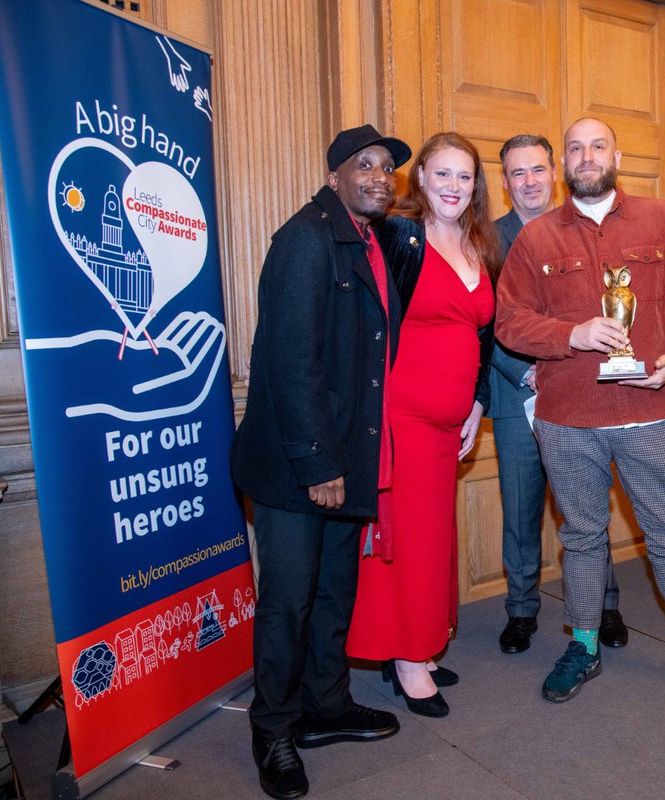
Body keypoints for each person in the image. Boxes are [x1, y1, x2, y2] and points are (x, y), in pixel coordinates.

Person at [496, 117, 665, 709]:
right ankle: (583, 642)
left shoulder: (661, 219)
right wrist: (573, 333)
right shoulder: (536, 240)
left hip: (651, 410)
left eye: (597, 145)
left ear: (617, 155)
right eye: (575, 148)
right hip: (567, 417)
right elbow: (508, 321)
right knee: (582, 536)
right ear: (564, 163)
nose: (587, 156)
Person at [231, 124, 413, 800]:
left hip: (345, 457)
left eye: (386, 168)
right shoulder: (304, 239)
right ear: (335, 173)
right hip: (295, 467)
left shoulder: (368, 241)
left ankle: (325, 704)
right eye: (363, 165)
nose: (378, 177)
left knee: (336, 590)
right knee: (287, 602)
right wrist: (317, 463)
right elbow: (287, 362)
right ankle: (272, 728)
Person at [347, 132, 498, 718]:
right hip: (401, 415)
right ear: (421, 180)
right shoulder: (396, 237)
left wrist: (478, 405)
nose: (454, 187)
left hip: (452, 422)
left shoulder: (480, 245)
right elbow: (369, 323)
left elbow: (483, 341)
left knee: (434, 536)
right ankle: (407, 658)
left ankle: (422, 643)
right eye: (442, 175)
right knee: (404, 537)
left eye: (465, 177)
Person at [491, 134, 627, 654]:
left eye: (537, 170)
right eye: (517, 173)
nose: (529, 181)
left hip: (581, 394)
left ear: (555, 173)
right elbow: (484, 327)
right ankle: (521, 611)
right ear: (505, 184)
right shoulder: (484, 240)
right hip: (515, 392)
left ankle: (605, 606)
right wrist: (525, 375)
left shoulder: (584, 227)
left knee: (588, 506)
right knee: (520, 511)